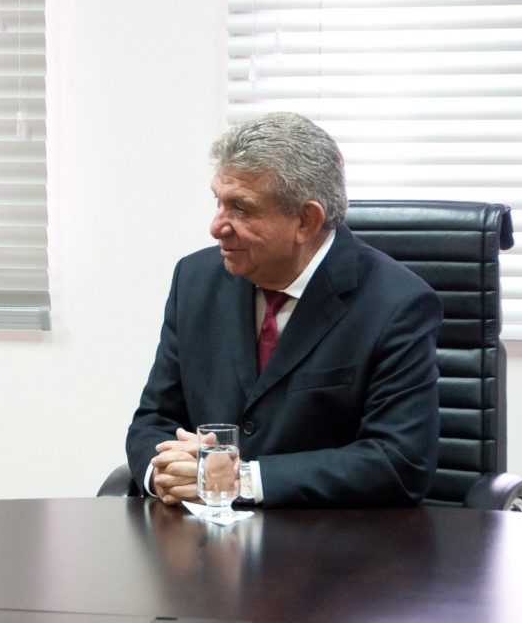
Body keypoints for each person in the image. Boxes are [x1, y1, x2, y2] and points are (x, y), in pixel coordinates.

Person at [126, 112, 441, 508]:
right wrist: (162, 473)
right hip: (205, 536)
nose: (216, 226)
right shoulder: (195, 279)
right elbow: (153, 419)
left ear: (306, 221)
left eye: (241, 208)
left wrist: (241, 479)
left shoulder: (397, 304)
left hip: (329, 539)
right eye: (218, 202)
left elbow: (398, 462)